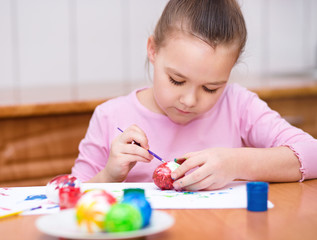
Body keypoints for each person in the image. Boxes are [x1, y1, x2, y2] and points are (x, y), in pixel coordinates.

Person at [71, 0, 317, 191]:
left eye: (211, 88)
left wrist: (234, 163)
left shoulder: (238, 105)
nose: (189, 101)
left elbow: (312, 153)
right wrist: (109, 176)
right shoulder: (109, 116)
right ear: (153, 50)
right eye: (176, 80)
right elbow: (67, 200)